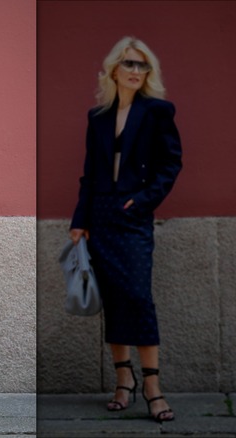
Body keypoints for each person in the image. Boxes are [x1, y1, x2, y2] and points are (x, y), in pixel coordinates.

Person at [70, 36, 182, 423]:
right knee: (114, 299)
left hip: (133, 216)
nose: (136, 71)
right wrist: (79, 221)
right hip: (99, 216)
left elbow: (171, 164)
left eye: (142, 65)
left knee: (138, 296)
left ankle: (152, 385)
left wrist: (144, 200)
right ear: (114, 69)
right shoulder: (98, 117)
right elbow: (89, 173)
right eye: (130, 64)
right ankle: (123, 381)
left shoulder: (158, 111)